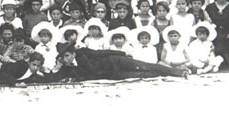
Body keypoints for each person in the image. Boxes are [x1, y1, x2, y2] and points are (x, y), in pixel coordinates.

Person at [56, 41, 189, 81]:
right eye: (64, 57)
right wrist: (59, 67)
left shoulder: (82, 53)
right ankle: (164, 74)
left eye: (68, 55)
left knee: (145, 66)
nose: (66, 59)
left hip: (116, 61)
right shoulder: (68, 68)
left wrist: (122, 53)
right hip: (113, 74)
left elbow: (102, 52)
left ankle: (178, 72)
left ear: (73, 53)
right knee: (142, 75)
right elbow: (52, 77)